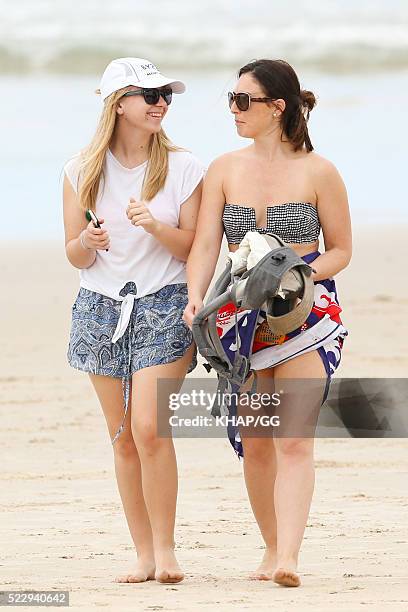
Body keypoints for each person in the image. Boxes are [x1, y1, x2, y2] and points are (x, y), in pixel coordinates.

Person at [183, 58, 352, 587]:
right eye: (231, 99)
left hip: (303, 316)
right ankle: (271, 546)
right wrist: (195, 300)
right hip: (239, 320)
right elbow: (207, 242)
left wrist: (297, 276)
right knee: (256, 441)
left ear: (277, 108)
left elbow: (342, 250)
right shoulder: (224, 169)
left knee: (294, 439)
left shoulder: (319, 171)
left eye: (242, 101)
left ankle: (289, 558)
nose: (232, 110)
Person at [63, 57, 205, 584]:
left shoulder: (185, 166)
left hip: (164, 302)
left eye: (166, 94)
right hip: (100, 308)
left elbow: (196, 248)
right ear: (118, 103)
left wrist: (155, 227)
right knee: (121, 435)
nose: (161, 103)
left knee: (149, 429)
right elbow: (74, 255)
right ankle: (143, 555)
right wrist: (87, 242)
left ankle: (167, 552)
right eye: (150, 95)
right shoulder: (81, 169)